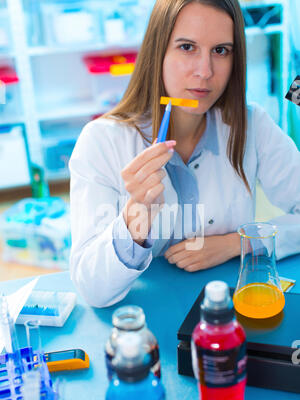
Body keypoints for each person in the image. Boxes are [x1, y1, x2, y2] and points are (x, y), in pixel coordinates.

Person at [69, 0, 300, 308]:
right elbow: (92, 289)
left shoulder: (252, 124)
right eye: (187, 47)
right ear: (157, 51)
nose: (204, 72)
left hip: (228, 310)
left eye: (221, 51)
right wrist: (137, 216)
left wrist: (236, 243)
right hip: (144, 320)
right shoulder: (101, 141)